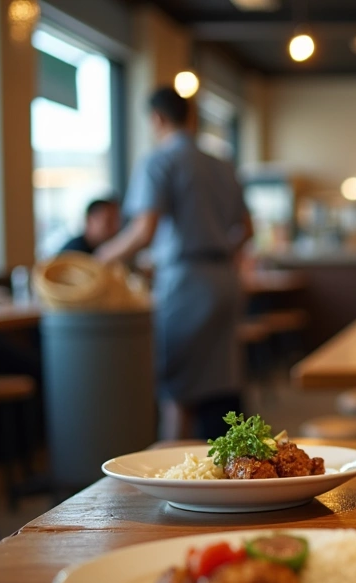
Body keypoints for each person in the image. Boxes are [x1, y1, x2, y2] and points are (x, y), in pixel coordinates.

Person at [96, 87, 253, 442]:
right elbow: (246, 229)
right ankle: (233, 476)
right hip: (225, 279)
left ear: (157, 119)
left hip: (187, 282)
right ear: (191, 117)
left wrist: (103, 256)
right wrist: (219, 252)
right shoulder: (222, 163)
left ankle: (175, 485)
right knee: (221, 385)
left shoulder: (159, 161)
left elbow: (144, 230)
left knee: (176, 389)